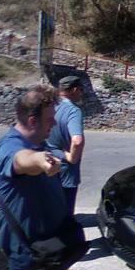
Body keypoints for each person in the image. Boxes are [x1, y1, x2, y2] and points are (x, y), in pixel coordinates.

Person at [0, 87, 88, 270]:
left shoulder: (38, 141)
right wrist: (41, 161)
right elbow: (22, 160)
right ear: (33, 121)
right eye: (50, 119)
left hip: (52, 231)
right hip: (26, 239)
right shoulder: (11, 147)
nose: (55, 124)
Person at [48, 74, 88, 216]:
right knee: (65, 213)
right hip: (65, 170)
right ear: (75, 90)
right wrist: (72, 158)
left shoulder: (49, 105)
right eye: (81, 90)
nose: (81, 94)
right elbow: (77, 141)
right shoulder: (73, 111)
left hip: (46, 163)